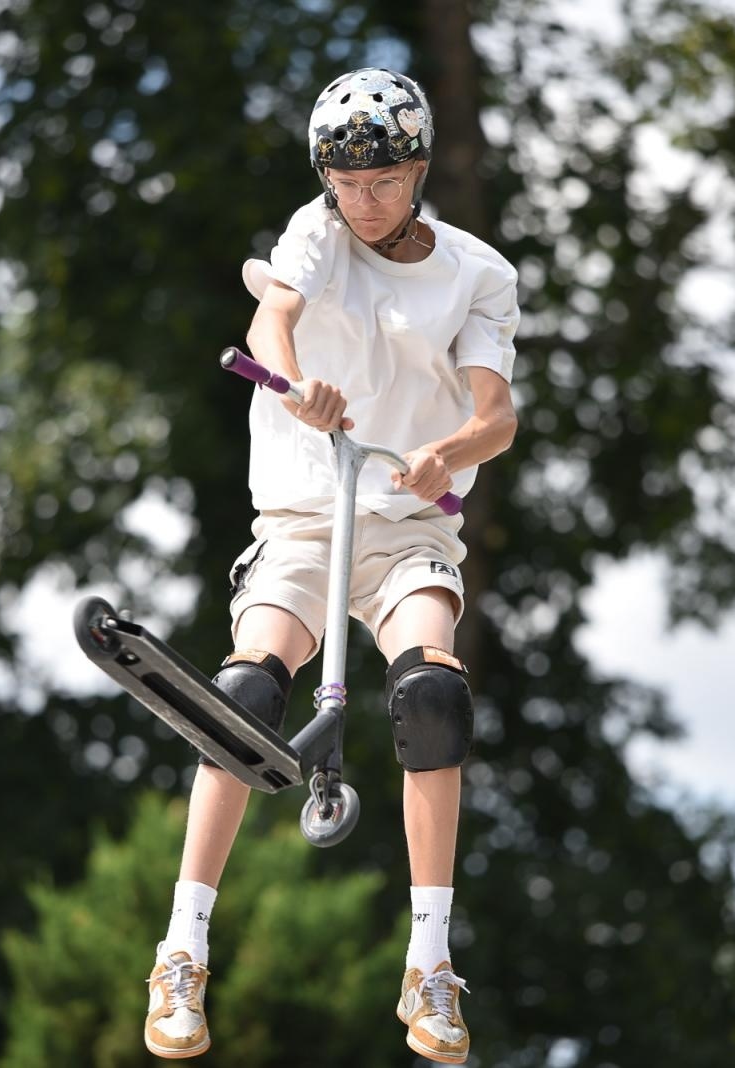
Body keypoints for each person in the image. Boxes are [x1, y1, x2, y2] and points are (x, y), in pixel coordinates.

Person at [144, 67, 519, 1064]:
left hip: (406, 524)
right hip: (308, 515)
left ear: (420, 168)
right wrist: (293, 376)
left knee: (431, 694)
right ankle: (183, 948)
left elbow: (497, 412)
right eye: (345, 184)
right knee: (243, 694)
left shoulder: (476, 275)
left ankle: (429, 967)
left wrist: (453, 451)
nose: (362, 203)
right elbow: (275, 315)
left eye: (384, 183)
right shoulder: (316, 231)